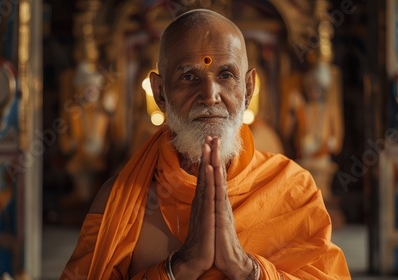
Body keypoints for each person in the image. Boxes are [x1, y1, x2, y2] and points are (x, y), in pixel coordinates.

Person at [61, 9, 350, 280]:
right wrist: (179, 268)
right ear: (160, 93)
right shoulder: (120, 199)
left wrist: (247, 270)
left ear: (248, 89)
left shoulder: (292, 189)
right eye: (189, 77)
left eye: (225, 75)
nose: (210, 94)